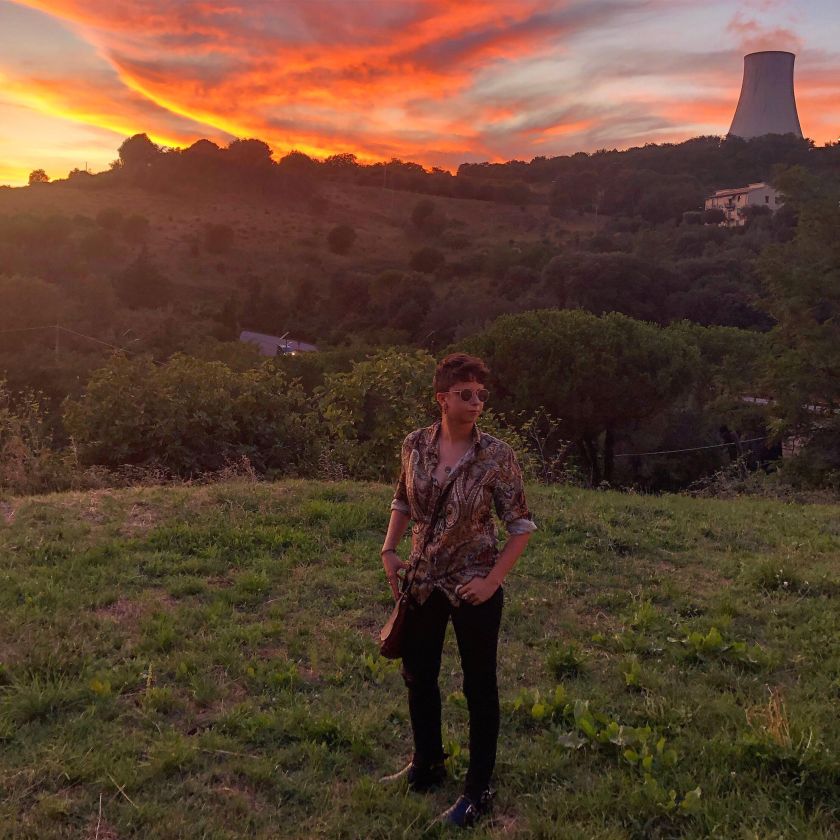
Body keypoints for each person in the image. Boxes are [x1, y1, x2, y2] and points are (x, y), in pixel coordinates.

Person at [379, 352, 536, 829]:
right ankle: (427, 764)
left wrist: (492, 581)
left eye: (481, 394)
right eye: (466, 393)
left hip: (473, 583)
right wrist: (389, 548)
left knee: (479, 685)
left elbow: (521, 526)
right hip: (423, 579)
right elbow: (402, 499)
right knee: (418, 676)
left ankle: (477, 790)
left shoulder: (497, 455)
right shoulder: (414, 445)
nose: (476, 402)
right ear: (442, 398)